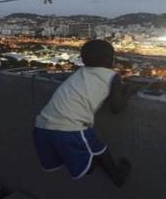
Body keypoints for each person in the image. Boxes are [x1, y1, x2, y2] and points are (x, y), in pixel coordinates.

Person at [33, 40, 131, 187]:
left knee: (83, 154)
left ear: (83, 59)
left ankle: (85, 162)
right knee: (99, 150)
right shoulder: (112, 76)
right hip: (70, 128)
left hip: (41, 125)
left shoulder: (80, 72)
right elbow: (116, 108)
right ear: (111, 59)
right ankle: (117, 177)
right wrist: (129, 92)